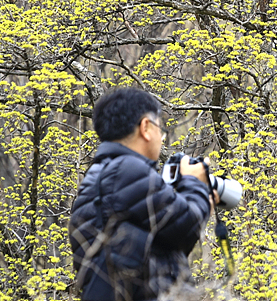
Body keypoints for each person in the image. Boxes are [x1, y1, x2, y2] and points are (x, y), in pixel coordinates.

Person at [69, 88, 214, 301]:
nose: (162, 138)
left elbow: (171, 241)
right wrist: (195, 182)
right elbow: (186, 225)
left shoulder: (98, 178)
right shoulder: (127, 170)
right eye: (160, 128)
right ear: (146, 127)